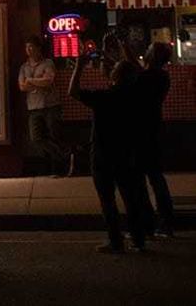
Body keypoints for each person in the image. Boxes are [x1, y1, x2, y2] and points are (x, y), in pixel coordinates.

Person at [69, 34, 146, 253]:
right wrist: (114, 50)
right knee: (130, 197)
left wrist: (79, 66)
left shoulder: (104, 97)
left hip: (103, 153)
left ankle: (115, 241)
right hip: (127, 152)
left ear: (114, 76)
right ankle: (138, 238)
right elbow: (131, 70)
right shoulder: (135, 94)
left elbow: (73, 92)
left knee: (107, 200)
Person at [136, 42, 174, 237]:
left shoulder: (151, 75)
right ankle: (164, 221)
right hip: (153, 128)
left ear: (154, 56)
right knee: (155, 177)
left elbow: (136, 71)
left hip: (144, 131)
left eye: (149, 49)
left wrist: (123, 46)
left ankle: (152, 222)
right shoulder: (161, 76)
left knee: (144, 179)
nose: (146, 51)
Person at [19, 35, 68, 177]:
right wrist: (37, 81)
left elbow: (48, 81)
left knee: (54, 135)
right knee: (36, 138)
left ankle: (57, 168)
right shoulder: (24, 67)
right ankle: (64, 155)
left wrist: (31, 81)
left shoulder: (48, 63)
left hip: (51, 105)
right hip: (33, 107)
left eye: (31, 46)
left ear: (38, 48)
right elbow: (22, 86)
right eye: (27, 47)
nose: (29, 50)